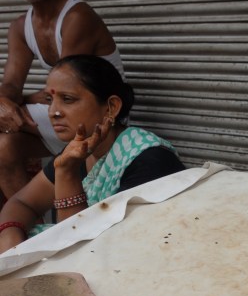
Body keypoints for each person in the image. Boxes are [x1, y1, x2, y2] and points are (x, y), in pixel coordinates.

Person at [0, 54, 185, 253]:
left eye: (67, 99)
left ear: (111, 107)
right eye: (49, 100)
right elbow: (21, 203)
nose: (53, 111)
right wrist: (11, 233)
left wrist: (66, 172)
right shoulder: (82, 150)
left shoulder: (148, 160)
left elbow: (87, 250)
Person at [0, 0, 124, 202]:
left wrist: (22, 100)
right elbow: (12, 85)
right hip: (65, 117)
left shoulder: (77, 17)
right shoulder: (20, 27)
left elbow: (65, 86)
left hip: (99, 117)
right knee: (4, 147)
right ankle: (30, 229)